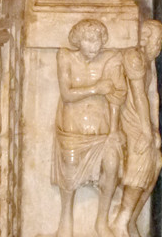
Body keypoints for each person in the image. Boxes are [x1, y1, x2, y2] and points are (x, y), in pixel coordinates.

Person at [53, 20, 126, 237]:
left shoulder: (112, 59)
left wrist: (113, 132)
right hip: (72, 130)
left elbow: (116, 98)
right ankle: (65, 220)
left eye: (97, 40)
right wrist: (96, 88)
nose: (93, 45)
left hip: (102, 131)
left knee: (112, 166)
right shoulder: (65, 56)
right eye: (87, 40)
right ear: (77, 40)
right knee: (69, 168)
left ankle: (101, 222)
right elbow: (66, 94)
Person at [113, 21, 162, 237]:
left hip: (143, 119)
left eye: (160, 41)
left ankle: (132, 218)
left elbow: (153, 96)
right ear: (144, 38)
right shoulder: (133, 57)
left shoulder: (149, 60)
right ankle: (120, 220)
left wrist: (156, 131)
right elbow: (138, 94)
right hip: (129, 117)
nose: (158, 45)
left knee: (158, 162)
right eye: (156, 40)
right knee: (141, 162)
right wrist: (145, 131)